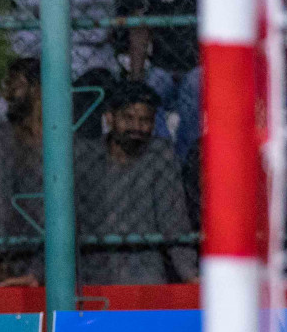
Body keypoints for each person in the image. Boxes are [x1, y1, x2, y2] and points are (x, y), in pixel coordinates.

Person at [74, 81, 197, 284]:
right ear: (110, 118)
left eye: (145, 120)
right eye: (128, 118)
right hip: (93, 269)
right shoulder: (86, 156)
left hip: (144, 270)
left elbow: (173, 221)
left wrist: (190, 275)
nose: (137, 127)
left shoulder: (160, 154)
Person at [118, 0, 199, 157]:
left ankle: (186, 159)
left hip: (197, 63)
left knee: (195, 91)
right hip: (160, 64)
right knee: (148, 94)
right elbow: (139, 30)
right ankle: (164, 157)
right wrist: (135, 76)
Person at [0, 57, 45, 285]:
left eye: (14, 86)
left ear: (36, 90)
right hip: (4, 255)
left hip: (46, 253)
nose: (7, 94)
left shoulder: (63, 139)